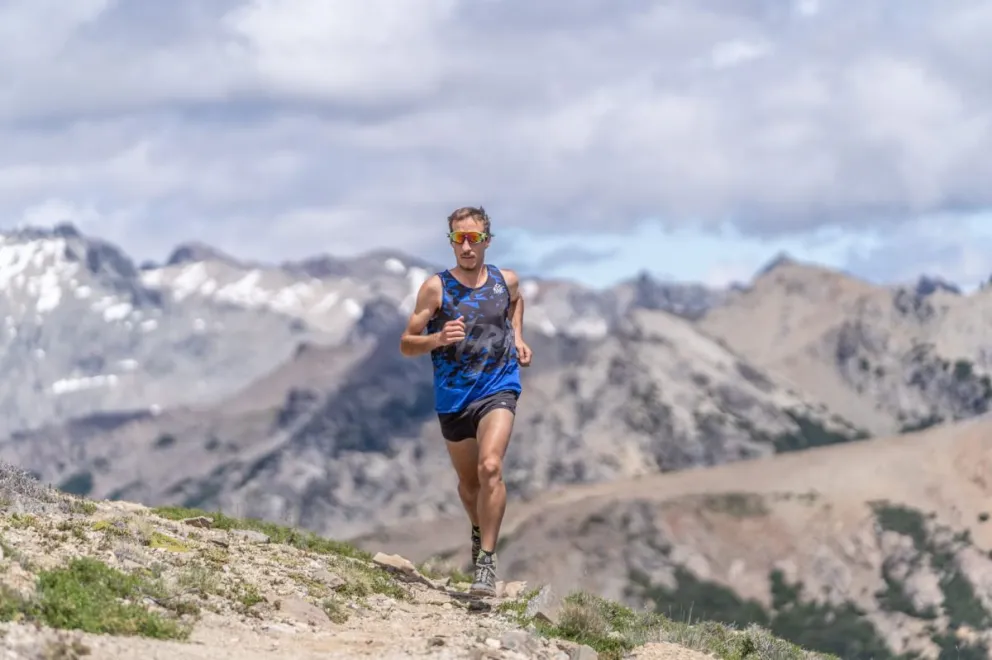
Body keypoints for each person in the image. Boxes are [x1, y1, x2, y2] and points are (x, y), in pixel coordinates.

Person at [399, 205, 532, 596]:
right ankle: (478, 532)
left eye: (474, 238)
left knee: (491, 467)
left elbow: (516, 302)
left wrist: (518, 338)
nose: (468, 246)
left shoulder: (504, 281)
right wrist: (438, 339)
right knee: (469, 484)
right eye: (460, 239)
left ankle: (487, 562)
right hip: (454, 397)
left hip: (498, 387)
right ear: (452, 243)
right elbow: (407, 344)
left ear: (487, 240)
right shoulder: (436, 288)